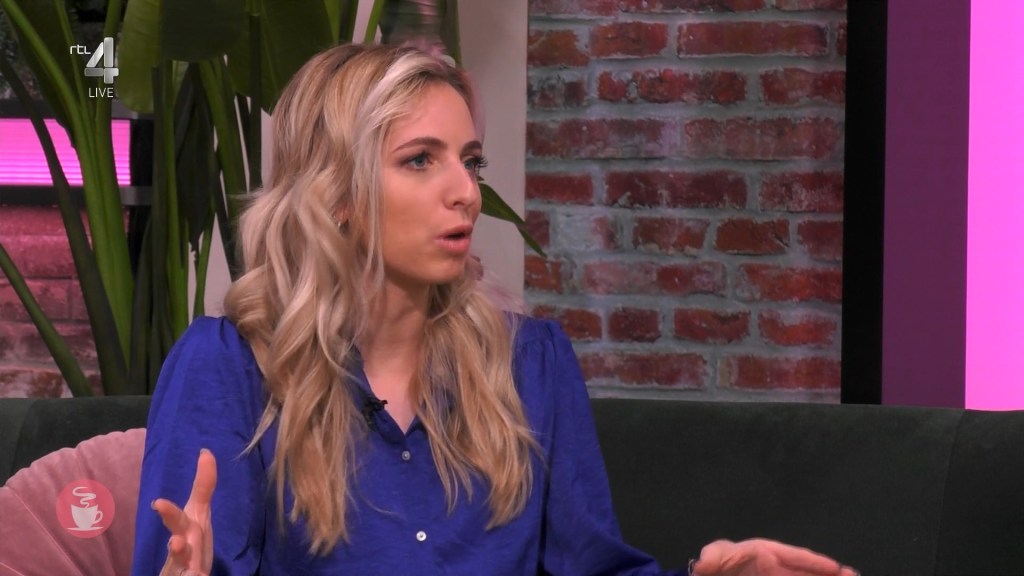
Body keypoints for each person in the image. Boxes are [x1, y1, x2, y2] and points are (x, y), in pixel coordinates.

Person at [131, 43, 858, 576]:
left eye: (470, 161)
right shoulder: (229, 368)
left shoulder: (531, 364)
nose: (467, 193)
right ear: (337, 195)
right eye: (421, 160)